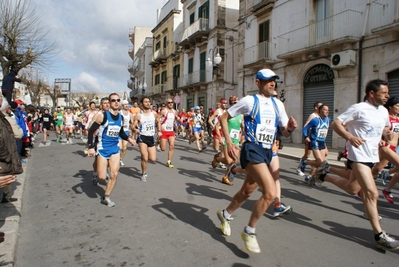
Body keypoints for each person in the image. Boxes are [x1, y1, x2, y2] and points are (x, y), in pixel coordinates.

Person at [216, 69, 297, 253]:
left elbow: (283, 131)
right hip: (252, 149)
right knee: (269, 192)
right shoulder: (249, 101)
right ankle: (249, 231)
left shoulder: (278, 104)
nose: (272, 84)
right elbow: (224, 117)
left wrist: (290, 129)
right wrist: (228, 141)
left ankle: (225, 214)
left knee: (246, 192)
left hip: (268, 152)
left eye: (274, 81)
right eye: (268, 80)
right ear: (258, 83)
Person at [315, 79, 399, 251]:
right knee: (371, 192)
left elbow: (382, 129)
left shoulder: (383, 111)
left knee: (352, 189)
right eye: (384, 93)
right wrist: (350, 137)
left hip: (372, 156)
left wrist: (386, 134)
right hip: (358, 155)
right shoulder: (358, 108)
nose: (387, 96)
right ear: (372, 93)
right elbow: (336, 123)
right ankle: (379, 235)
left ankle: (324, 175)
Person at [87, 93, 135, 207]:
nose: (116, 102)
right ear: (109, 102)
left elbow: (121, 132)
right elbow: (90, 131)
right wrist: (90, 147)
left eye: (118, 100)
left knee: (114, 174)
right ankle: (101, 167)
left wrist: (129, 139)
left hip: (114, 148)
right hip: (102, 148)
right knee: (102, 177)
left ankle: (106, 196)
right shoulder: (103, 116)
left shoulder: (121, 117)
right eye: (113, 100)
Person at [300, 104, 331, 185]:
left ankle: (308, 172)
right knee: (320, 162)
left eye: (328, 109)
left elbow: (336, 125)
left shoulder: (328, 119)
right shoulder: (315, 120)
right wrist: (306, 136)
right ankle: (305, 164)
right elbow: (305, 128)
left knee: (321, 163)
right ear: (320, 111)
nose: (327, 111)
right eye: (325, 109)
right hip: (315, 141)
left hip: (322, 142)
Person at [132, 97, 160, 182]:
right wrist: (135, 129)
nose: (148, 103)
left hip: (151, 137)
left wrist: (159, 131)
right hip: (142, 137)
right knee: (145, 157)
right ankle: (144, 173)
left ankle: (143, 159)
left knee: (153, 159)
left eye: (149, 102)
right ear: (142, 104)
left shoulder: (154, 114)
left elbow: (158, 122)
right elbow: (132, 125)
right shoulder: (139, 115)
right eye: (146, 102)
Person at [297, 101, 323, 176]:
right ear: (316, 107)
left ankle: (312, 172)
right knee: (307, 155)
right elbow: (306, 126)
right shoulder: (313, 116)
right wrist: (306, 136)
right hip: (311, 138)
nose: (321, 108)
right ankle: (300, 168)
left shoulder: (321, 116)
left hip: (318, 139)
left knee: (322, 155)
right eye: (320, 107)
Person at [158, 98, 179, 168]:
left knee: (172, 146)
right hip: (164, 131)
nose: (171, 104)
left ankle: (169, 161)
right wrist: (159, 128)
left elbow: (175, 119)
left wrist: (178, 121)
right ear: (166, 104)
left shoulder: (174, 111)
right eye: (169, 102)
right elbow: (157, 119)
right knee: (163, 149)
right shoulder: (164, 111)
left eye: (172, 102)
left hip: (171, 131)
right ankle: (158, 141)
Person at [119, 100, 133, 167]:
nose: (127, 105)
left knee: (124, 148)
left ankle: (120, 159)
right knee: (120, 147)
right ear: (122, 106)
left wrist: (131, 131)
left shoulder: (130, 114)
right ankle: (116, 159)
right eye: (125, 104)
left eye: (127, 104)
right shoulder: (119, 113)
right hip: (119, 132)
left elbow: (131, 124)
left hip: (126, 131)